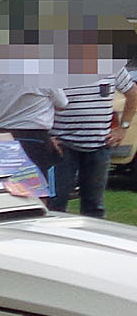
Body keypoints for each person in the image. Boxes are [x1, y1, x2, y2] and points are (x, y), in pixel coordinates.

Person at [0, 13, 68, 182]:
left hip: (1, 135)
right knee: (35, 188)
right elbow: (62, 104)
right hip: (33, 137)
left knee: (4, 185)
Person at [48, 25, 135, 218]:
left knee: (94, 207)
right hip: (63, 147)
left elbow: (132, 94)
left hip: (100, 146)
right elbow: (41, 103)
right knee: (56, 202)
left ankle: (94, 241)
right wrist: (48, 136)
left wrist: (123, 128)